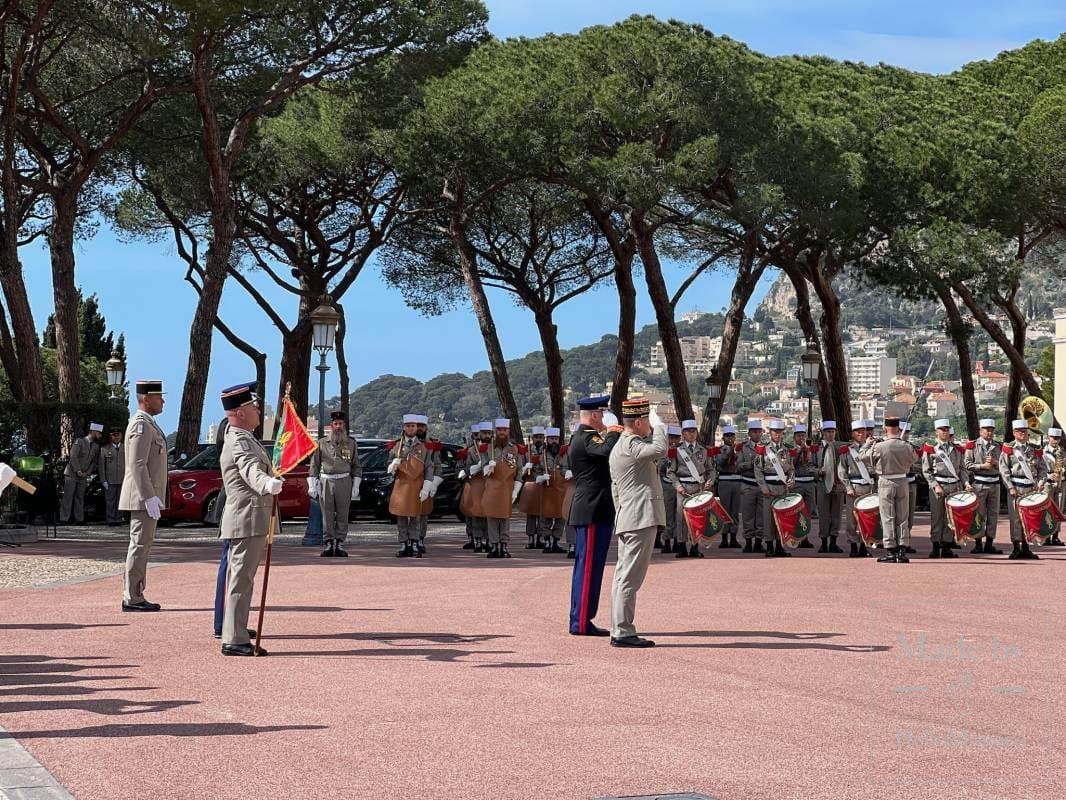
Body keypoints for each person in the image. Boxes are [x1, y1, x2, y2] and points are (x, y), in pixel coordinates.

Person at [218, 382, 283, 656]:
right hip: (247, 515)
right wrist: (266, 483)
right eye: (253, 407)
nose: (258, 410)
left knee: (242, 576)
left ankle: (237, 627)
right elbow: (249, 468)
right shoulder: (240, 440)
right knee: (241, 578)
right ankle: (233, 637)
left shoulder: (245, 436)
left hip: (250, 515)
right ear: (240, 413)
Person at [608, 398, 668, 648]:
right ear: (640, 422)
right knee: (630, 578)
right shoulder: (631, 444)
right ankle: (622, 631)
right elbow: (660, 450)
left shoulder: (623, 445)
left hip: (629, 517)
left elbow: (615, 490)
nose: (650, 429)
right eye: (648, 424)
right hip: (639, 518)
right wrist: (661, 426)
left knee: (623, 576)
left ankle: (619, 627)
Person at [567, 396, 622, 636]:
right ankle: (579, 621)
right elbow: (606, 450)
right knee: (588, 568)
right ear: (596, 416)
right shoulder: (586, 437)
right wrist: (614, 431)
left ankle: (582, 618)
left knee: (592, 567)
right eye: (602, 415)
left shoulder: (584, 437)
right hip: (591, 509)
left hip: (595, 509)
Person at [120, 382, 168, 612]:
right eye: (159, 397)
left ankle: (136, 593)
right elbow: (137, 464)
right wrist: (149, 496)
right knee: (139, 545)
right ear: (146, 399)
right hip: (142, 496)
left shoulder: (149, 424)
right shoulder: (141, 425)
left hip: (147, 496)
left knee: (143, 544)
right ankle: (133, 597)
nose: (163, 402)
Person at [308, 410, 362, 558]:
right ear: (331, 425)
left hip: (344, 480)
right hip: (326, 480)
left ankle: (339, 542)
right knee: (327, 514)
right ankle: (329, 542)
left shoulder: (351, 443)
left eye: (341, 424)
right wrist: (312, 484)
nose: (338, 426)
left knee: (343, 514)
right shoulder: (321, 443)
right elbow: (314, 465)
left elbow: (356, 465)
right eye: (336, 424)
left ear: (344, 425)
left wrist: (356, 484)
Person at [921, 418, 972, 559]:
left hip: (954, 486)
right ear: (936, 432)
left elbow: (962, 469)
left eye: (947, 429)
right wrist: (935, 485)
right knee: (937, 517)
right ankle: (936, 546)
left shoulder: (957, 449)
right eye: (942, 430)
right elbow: (926, 471)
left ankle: (947, 545)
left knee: (951, 518)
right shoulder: (931, 449)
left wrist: (966, 483)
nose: (945, 432)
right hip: (939, 485)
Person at [665, 419, 716, 559]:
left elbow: (710, 469)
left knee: (698, 517)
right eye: (688, 431)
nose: (692, 434)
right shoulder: (677, 451)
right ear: (683, 434)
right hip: (683, 487)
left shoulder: (703, 450)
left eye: (694, 431)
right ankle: (681, 547)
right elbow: (670, 472)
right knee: (681, 518)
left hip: (699, 487)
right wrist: (678, 486)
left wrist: (710, 481)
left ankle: (695, 546)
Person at [869, 418, 917, 563]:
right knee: (903, 517)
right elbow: (914, 459)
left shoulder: (880, 446)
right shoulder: (906, 446)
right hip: (902, 480)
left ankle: (891, 549)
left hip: (886, 481)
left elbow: (864, 457)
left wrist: (867, 445)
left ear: (885, 429)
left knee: (888, 517)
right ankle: (902, 550)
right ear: (898, 428)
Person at [387, 414, 433, 558]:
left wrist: (427, 486)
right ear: (404, 427)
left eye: (413, 426)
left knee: (415, 516)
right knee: (401, 516)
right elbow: (388, 466)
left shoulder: (423, 447)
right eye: (408, 426)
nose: (411, 428)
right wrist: (392, 465)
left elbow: (429, 467)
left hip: (416, 485)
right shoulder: (397, 446)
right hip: (401, 485)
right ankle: (403, 544)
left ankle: (414, 543)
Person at [999, 419, 1047, 560]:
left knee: (1029, 518)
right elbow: (1004, 470)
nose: (1023, 434)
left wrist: (1041, 482)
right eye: (1020, 432)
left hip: (1031, 488)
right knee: (1015, 519)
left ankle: (1026, 547)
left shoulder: (1034, 449)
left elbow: (1042, 468)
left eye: (1025, 432)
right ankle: (1016, 547)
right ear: (1014, 433)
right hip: (1016, 487)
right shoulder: (1009, 449)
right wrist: (1010, 487)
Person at [481, 418, 525, 559]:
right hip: (492, 487)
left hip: (507, 487)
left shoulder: (514, 448)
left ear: (508, 431)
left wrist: (516, 490)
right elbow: (482, 469)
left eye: (504, 430)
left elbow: (519, 471)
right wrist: (489, 467)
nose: (502, 432)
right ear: (496, 431)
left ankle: (504, 545)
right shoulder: (488, 448)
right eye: (499, 430)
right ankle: (494, 545)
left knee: (505, 518)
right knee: (492, 517)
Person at [755, 418, 795, 557]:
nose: (777, 434)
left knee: (781, 517)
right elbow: (758, 470)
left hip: (782, 488)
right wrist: (763, 487)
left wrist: (791, 480)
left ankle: (780, 545)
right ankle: (769, 546)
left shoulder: (786, 449)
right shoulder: (763, 450)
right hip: (769, 488)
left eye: (780, 431)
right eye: (774, 431)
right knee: (768, 518)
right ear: (770, 432)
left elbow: (791, 468)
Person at [965, 418, 1004, 555]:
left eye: (991, 430)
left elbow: (1004, 467)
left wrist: (995, 462)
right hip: (980, 483)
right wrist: (982, 466)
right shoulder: (973, 445)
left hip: (994, 483)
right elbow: (967, 465)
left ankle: (989, 543)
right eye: (986, 429)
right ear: (981, 431)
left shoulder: (999, 446)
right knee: (978, 514)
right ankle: (977, 543)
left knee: (993, 515)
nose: (989, 432)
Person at [839, 420, 874, 558]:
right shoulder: (846, 450)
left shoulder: (872, 448)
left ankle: (864, 546)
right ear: (853, 434)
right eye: (858, 432)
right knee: (852, 520)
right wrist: (847, 487)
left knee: (867, 519)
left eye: (863, 431)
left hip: (869, 487)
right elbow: (841, 471)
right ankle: (853, 545)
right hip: (854, 487)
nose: (861, 434)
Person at [61, 423, 102, 524]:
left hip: (83, 475)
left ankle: (79, 519)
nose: (100, 434)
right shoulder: (79, 441)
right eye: (98, 432)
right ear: (92, 431)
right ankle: (64, 518)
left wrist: (87, 473)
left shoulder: (96, 446)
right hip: (72, 473)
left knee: (80, 497)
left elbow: (94, 462)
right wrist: (78, 470)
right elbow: (73, 456)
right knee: (68, 496)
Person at [815, 421, 844, 553]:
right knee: (824, 514)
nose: (830, 434)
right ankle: (824, 542)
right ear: (823, 432)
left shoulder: (840, 447)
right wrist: (817, 471)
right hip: (822, 484)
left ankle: (833, 541)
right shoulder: (817, 448)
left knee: (836, 515)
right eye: (828, 432)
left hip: (837, 485)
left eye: (832, 431)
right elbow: (810, 466)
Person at [417, 417, 445, 554]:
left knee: (423, 513)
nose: (419, 429)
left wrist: (434, 483)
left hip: (426, 481)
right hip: (411, 482)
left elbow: (438, 467)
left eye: (422, 426)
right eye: (417, 426)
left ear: (426, 427)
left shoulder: (432, 445)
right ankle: (408, 540)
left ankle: (420, 539)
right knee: (408, 511)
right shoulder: (404, 443)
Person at [538, 427, 568, 554]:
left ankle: (556, 541)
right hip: (547, 489)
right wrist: (540, 477)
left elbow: (567, 467)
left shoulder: (564, 454)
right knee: (546, 516)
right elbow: (536, 471)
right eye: (551, 439)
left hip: (561, 489)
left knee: (561, 517)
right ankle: (547, 540)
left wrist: (567, 472)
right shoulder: (542, 454)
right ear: (547, 440)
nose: (554, 442)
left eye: (556, 439)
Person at [737, 419, 764, 552]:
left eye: (759, 431)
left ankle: (759, 541)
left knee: (761, 516)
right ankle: (748, 541)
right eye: (754, 432)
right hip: (748, 484)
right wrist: (751, 463)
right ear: (749, 433)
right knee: (747, 515)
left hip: (762, 485)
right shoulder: (743, 447)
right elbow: (738, 466)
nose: (757, 434)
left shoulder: (766, 446)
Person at [713, 425, 742, 549]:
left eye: (732, 435)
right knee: (724, 511)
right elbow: (720, 462)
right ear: (723, 437)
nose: (730, 438)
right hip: (724, 481)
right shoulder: (720, 450)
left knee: (735, 511)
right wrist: (730, 451)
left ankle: (734, 537)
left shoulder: (740, 450)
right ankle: (724, 538)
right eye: (727, 436)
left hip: (737, 481)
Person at [790, 424, 818, 548]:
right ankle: (797, 536)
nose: (801, 438)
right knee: (797, 511)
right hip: (798, 483)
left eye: (803, 436)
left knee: (808, 512)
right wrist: (800, 451)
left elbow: (813, 464)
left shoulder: (811, 449)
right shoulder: (791, 449)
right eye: (798, 436)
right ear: (794, 437)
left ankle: (805, 537)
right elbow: (792, 464)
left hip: (809, 483)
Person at [658, 424, 682, 553]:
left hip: (680, 486)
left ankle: (678, 541)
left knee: (679, 515)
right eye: (671, 438)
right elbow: (660, 469)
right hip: (667, 485)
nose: (674, 441)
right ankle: (666, 541)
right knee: (667, 515)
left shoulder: (684, 451)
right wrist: (667, 457)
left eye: (676, 438)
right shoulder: (663, 451)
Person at [1041, 427, 1066, 547]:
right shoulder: (1042, 452)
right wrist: (1048, 475)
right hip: (1048, 482)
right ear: (1048, 438)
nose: (1056, 440)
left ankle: (1055, 536)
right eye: (1053, 438)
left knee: (1059, 509)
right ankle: (1046, 536)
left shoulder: (1062, 452)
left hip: (1061, 482)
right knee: (1047, 509)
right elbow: (1039, 468)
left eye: (1058, 438)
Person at [523, 426, 547, 549]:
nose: (539, 439)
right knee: (531, 513)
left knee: (542, 513)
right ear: (532, 438)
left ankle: (540, 537)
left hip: (543, 484)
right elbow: (519, 470)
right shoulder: (527, 452)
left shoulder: (547, 451)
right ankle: (531, 538)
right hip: (531, 483)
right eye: (536, 437)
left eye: (541, 437)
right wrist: (526, 467)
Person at [98, 427, 125, 526]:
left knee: (120, 500)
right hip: (110, 479)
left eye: (118, 435)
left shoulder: (126, 448)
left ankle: (118, 519)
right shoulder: (104, 449)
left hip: (123, 479)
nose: (116, 437)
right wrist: (103, 480)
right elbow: (101, 466)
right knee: (110, 501)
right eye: (114, 435)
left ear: (121, 436)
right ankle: (110, 520)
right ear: (111, 436)